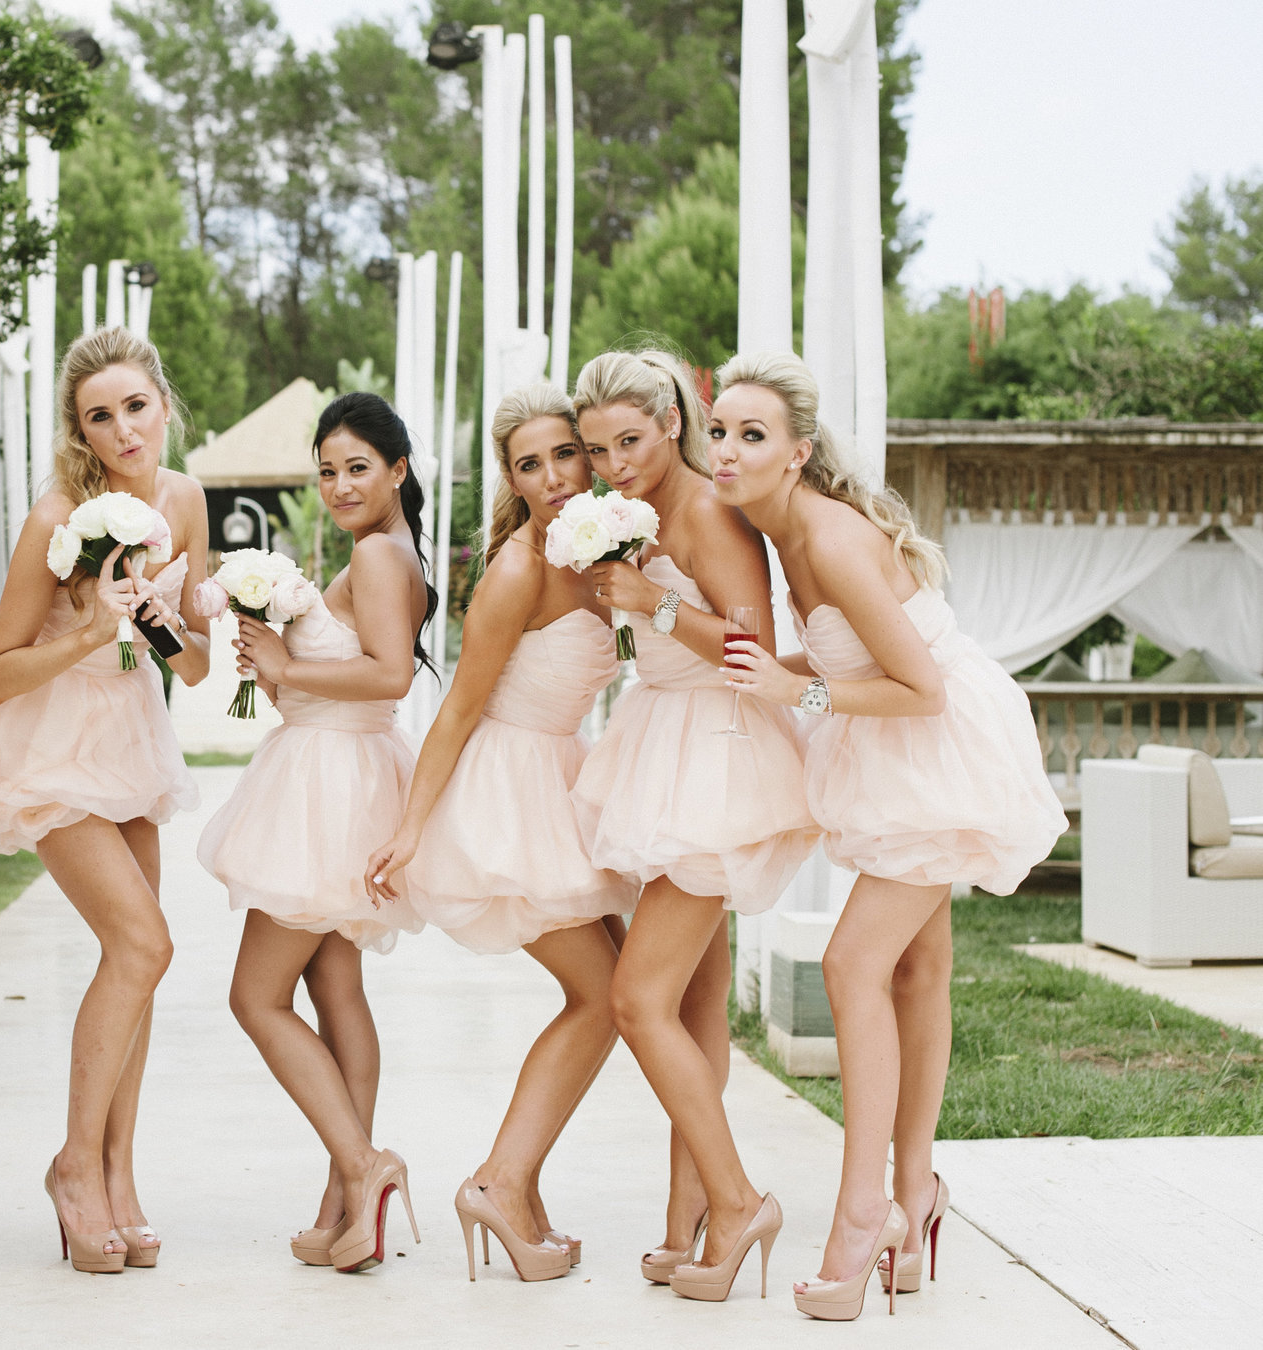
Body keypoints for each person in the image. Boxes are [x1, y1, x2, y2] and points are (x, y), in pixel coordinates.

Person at [710, 351, 1065, 1321]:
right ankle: (915, 1197)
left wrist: (793, 693)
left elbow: (920, 688)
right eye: (720, 431)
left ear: (797, 452)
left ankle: (862, 1211)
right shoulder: (776, 532)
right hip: (896, 746)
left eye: (751, 435)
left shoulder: (825, 537)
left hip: (938, 746)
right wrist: (745, 660)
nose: (728, 450)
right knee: (914, 970)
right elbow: (835, 655)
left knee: (849, 966)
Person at [365, 384, 634, 1283]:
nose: (554, 477)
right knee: (604, 996)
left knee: (618, 994)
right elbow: (458, 709)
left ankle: (520, 1187)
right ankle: (498, 1182)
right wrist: (411, 830)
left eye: (566, 454)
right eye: (530, 464)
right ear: (511, 480)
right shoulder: (518, 570)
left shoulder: (605, 546)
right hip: (510, 793)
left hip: (562, 776)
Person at [0, 327, 211, 1274]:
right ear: (80, 430)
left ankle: (117, 1173)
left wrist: (161, 623)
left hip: (131, 732)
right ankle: (72, 1165)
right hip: (50, 738)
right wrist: (95, 627)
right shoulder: (57, 517)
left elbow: (197, 664)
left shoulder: (185, 499)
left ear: (164, 405)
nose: (123, 429)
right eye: (100, 416)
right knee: (145, 944)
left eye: (136, 407)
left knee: (134, 964)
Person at [568, 350, 819, 1300]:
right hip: (660, 746)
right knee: (694, 1006)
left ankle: (739, 1199)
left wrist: (655, 603)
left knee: (638, 1001)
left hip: (717, 755)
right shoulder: (630, 517)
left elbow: (756, 651)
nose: (615, 466)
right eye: (598, 451)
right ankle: (689, 1220)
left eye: (631, 442)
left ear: (673, 422)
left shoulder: (711, 514)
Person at [198, 392, 434, 1272]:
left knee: (255, 998)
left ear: (398, 469)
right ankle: (346, 1208)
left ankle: (365, 1166)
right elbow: (355, 678)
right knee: (336, 989)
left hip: (326, 787)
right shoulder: (390, 551)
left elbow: (390, 676)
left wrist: (287, 666)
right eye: (328, 471)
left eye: (358, 468)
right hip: (345, 774)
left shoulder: (376, 554)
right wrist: (276, 665)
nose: (339, 486)